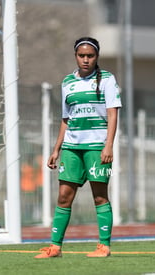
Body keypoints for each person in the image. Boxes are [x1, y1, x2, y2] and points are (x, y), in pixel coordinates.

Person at [35, 37, 122, 258]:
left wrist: (108, 145)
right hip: (72, 147)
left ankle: (104, 246)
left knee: (100, 196)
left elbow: (113, 114)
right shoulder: (67, 82)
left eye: (90, 56)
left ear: (97, 57)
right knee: (64, 197)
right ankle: (55, 247)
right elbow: (66, 119)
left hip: (96, 147)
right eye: (81, 56)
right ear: (75, 56)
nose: (85, 60)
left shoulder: (107, 80)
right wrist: (56, 149)